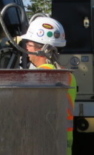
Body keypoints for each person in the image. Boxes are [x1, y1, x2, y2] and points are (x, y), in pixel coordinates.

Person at [21, 15, 77, 155]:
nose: (26, 49)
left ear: (42, 49)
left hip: (43, 145)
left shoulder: (41, 77)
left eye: (29, 44)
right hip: (63, 146)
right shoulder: (68, 76)